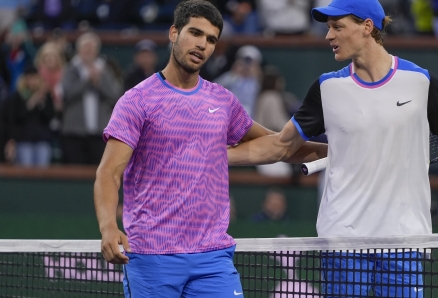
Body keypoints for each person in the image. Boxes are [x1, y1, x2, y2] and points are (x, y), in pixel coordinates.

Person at [227, 0, 438, 296]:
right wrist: (215, 156)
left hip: (403, 242)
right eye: (328, 28)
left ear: (367, 27)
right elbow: (280, 147)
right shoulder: (327, 88)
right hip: (343, 243)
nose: (328, 36)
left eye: (337, 27)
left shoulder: (419, 81)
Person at [94, 1, 326, 297]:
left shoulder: (223, 101)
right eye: (195, 33)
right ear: (174, 33)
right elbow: (108, 173)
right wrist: (107, 227)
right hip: (152, 255)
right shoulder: (137, 101)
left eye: (211, 39)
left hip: (213, 256)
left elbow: (279, 144)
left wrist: (330, 151)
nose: (202, 44)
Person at [61, 32, 122, 165]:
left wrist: (98, 82)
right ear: (79, 50)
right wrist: (87, 80)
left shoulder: (105, 70)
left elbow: (115, 95)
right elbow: (67, 94)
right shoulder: (70, 70)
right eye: (85, 48)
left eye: (91, 48)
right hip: (74, 133)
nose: (88, 51)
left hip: (99, 133)